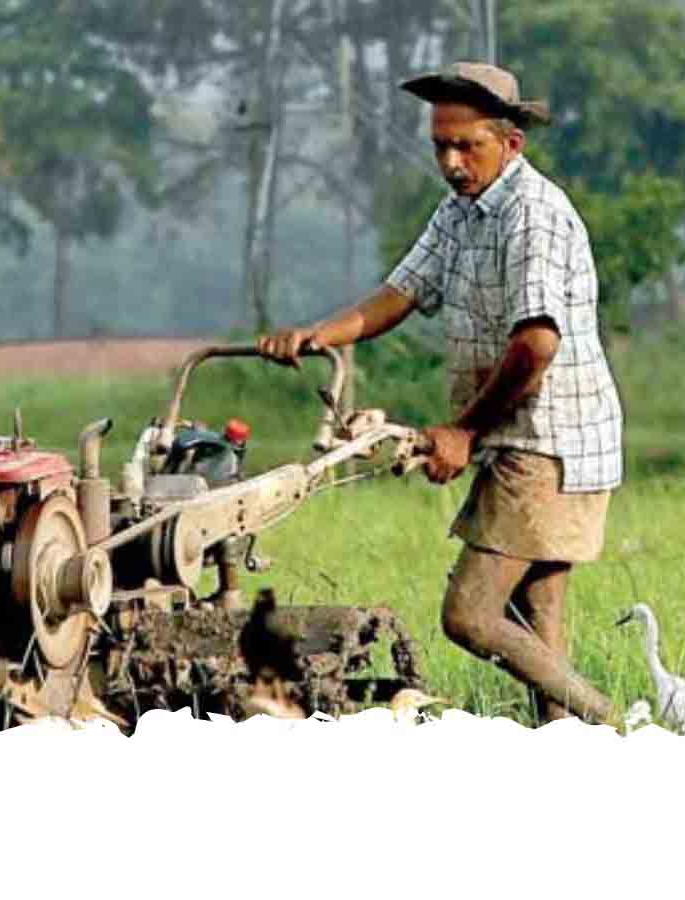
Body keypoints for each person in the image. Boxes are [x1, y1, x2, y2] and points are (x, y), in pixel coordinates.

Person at [257, 61, 623, 727]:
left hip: (550, 441)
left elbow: (536, 347)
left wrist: (463, 431)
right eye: (440, 146)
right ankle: (571, 744)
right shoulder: (461, 212)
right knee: (535, 622)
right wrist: (317, 336)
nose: (451, 163)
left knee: (471, 615)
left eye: (467, 146)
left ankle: (603, 720)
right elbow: (401, 293)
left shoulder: (532, 215)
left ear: (510, 144)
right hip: (520, 437)